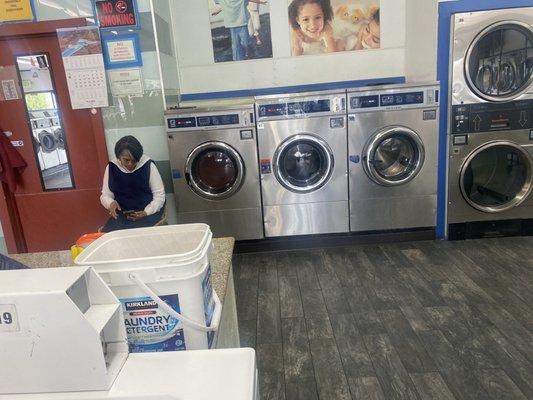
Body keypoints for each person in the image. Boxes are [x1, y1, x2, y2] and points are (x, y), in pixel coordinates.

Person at [100, 136, 165, 232]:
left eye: (134, 160)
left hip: (147, 213)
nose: (130, 164)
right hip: (122, 215)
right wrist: (110, 203)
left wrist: (146, 212)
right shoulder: (112, 167)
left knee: (138, 235)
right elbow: (105, 195)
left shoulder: (148, 165)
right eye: (126, 160)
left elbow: (159, 196)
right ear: (119, 157)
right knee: (110, 235)